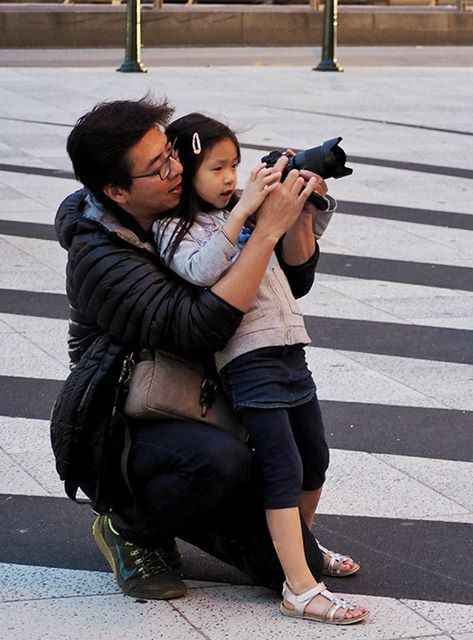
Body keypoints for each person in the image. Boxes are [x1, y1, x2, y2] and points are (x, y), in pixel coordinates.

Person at [50, 97, 329, 604]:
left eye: (172, 154)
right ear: (116, 190)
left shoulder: (191, 206)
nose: (177, 169)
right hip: (127, 421)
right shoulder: (99, 254)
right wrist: (262, 229)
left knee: (297, 561)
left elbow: (286, 280)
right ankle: (131, 526)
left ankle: (212, 518)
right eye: (158, 168)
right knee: (220, 464)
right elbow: (200, 327)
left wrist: (295, 215)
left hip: (205, 401)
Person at [151, 113, 368, 625]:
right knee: (281, 467)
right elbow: (202, 271)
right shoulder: (173, 227)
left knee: (314, 461)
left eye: (235, 166)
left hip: (290, 347)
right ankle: (298, 585)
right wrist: (248, 208)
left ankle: (299, 555)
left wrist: (300, 205)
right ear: (185, 169)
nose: (231, 178)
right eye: (218, 167)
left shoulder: (242, 214)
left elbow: (295, 265)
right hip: (246, 359)